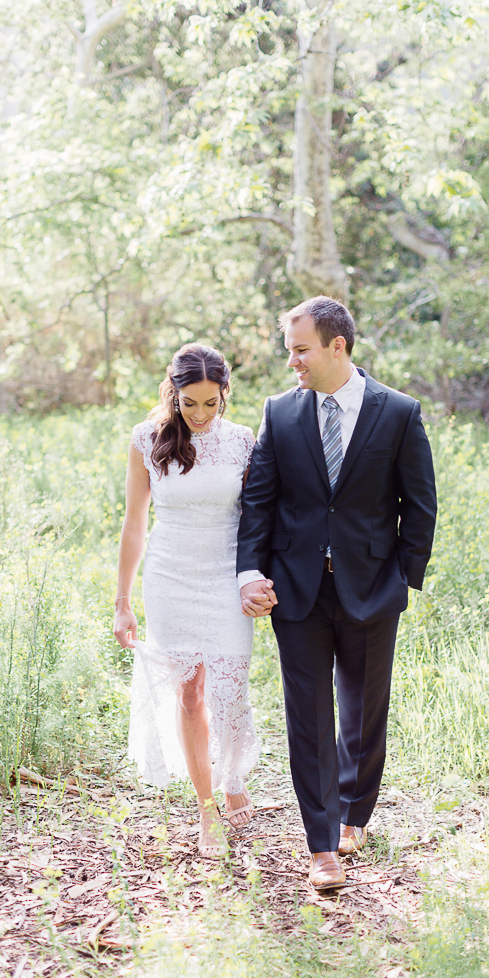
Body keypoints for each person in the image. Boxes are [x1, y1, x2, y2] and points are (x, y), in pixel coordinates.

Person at [236, 296, 437, 891]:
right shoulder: (280, 412)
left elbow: (419, 504)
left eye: (300, 350)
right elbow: (259, 502)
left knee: (362, 714)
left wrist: (403, 577)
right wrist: (251, 571)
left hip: (373, 587)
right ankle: (320, 843)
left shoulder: (398, 413)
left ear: (336, 346)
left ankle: (355, 813)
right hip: (295, 591)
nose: (291, 361)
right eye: (290, 350)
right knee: (308, 716)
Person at [113, 343, 271, 858]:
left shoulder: (243, 442)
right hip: (170, 576)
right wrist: (122, 600)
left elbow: (258, 518)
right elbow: (135, 523)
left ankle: (232, 776)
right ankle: (207, 809)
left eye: (211, 403)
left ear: (225, 394)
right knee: (189, 692)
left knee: (229, 690)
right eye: (189, 404)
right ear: (173, 394)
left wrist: (258, 577)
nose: (200, 415)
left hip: (225, 575)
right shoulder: (146, 439)